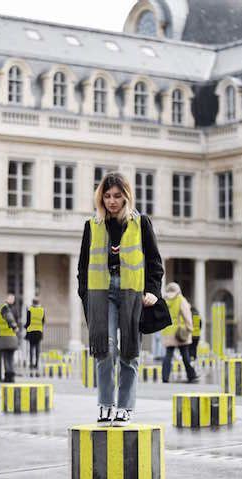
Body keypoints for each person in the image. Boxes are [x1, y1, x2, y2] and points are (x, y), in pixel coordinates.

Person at [78, 172, 163, 426]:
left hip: (131, 291)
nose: (112, 201)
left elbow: (154, 262)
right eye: (106, 196)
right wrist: (85, 294)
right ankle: (105, 404)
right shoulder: (92, 225)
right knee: (105, 347)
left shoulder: (141, 223)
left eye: (117, 196)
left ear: (127, 196)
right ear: (100, 197)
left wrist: (153, 291)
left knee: (129, 351)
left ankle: (125, 406)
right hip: (101, 292)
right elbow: (83, 267)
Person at [161, 282, 198, 383]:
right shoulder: (180, 299)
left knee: (168, 354)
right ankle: (191, 375)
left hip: (167, 330)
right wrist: (190, 328)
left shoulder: (164, 300)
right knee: (185, 354)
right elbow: (186, 314)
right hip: (180, 332)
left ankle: (165, 377)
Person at [0, 293, 19, 383]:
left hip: (6, 337)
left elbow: (9, 318)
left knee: (6, 358)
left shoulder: (4, 308)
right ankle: (12, 376)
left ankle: (8, 377)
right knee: (10, 357)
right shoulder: (12, 309)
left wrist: (14, 326)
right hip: (12, 337)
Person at [25, 298, 45, 376]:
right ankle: (36, 364)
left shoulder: (30, 309)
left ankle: (31, 363)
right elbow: (43, 321)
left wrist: (25, 326)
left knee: (31, 348)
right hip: (39, 331)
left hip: (31, 331)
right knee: (37, 348)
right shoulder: (42, 310)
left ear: (32, 303)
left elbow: (28, 321)